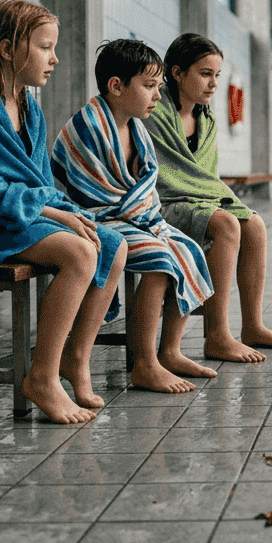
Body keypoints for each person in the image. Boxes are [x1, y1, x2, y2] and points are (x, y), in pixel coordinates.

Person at [0, 0, 128, 423]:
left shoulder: (30, 109)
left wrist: (68, 211)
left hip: (11, 218)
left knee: (112, 243)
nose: (54, 59)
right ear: (7, 49)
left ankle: (75, 359)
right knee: (78, 253)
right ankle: (42, 377)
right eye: (44, 46)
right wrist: (57, 215)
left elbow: (38, 184)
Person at [51, 39, 217, 394]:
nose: (158, 96)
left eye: (159, 86)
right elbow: (92, 192)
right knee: (160, 257)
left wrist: (144, 216)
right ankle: (144, 363)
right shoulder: (89, 125)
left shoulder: (137, 128)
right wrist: (139, 215)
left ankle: (169, 351)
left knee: (188, 248)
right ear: (116, 86)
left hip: (136, 217)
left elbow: (145, 186)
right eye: (149, 86)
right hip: (97, 219)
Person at [142, 33, 272, 362]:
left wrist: (214, 198)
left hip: (196, 199)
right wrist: (214, 200)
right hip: (162, 203)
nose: (213, 84)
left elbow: (205, 175)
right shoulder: (155, 114)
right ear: (177, 73)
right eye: (204, 74)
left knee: (254, 225)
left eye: (216, 75)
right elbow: (164, 176)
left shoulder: (206, 118)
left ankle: (252, 326)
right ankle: (217, 336)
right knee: (227, 224)